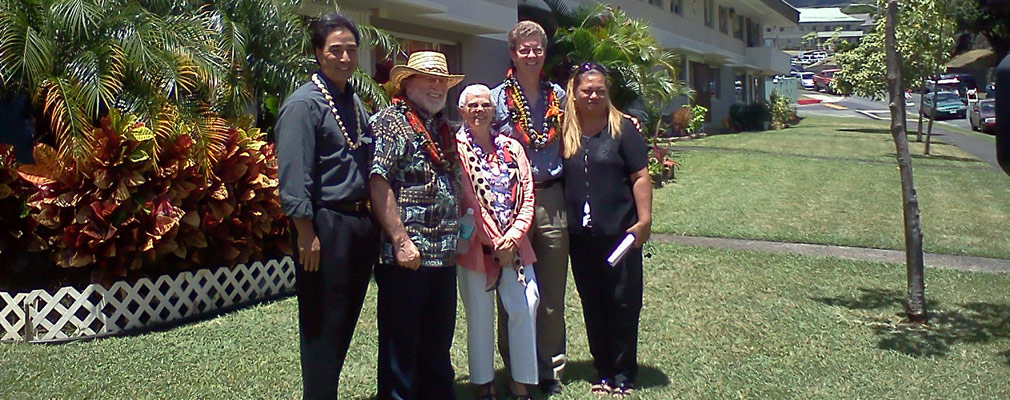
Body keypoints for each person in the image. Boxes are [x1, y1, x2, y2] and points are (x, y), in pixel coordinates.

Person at [275, 12, 377, 400]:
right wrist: (305, 232)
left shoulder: (352, 101)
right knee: (322, 324)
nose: (345, 58)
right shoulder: (304, 104)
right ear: (319, 54)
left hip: (358, 223)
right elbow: (294, 171)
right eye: (336, 50)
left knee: (345, 319)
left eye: (351, 49)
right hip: (324, 226)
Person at [368, 50, 464, 400]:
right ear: (406, 82)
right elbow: (378, 181)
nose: (437, 87)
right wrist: (400, 239)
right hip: (407, 258)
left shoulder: (443, 128)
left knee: (437, 345)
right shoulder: (390, 122)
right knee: (401, 349)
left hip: (444, 257)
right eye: (429, 79)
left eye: (442, 81)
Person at [559, 62, 652, 398]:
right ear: (576, 92)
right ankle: (604, 370)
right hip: (581, 238)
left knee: (623, 302)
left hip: (621, 235)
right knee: (593, 302)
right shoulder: (565, 130)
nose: (593, 94)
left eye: (599, 89)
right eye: (587, 89)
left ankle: (625, 371)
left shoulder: (623, 129)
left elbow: (640, 176)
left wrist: (643, 222)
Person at [490, 20, 568, 396]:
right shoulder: (495, 99)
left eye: (537, 48)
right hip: (512, 200)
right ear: (512, 53)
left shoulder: (561, 97)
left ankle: (549, 365)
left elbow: (588, 127)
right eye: (524, 48)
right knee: (513, 288)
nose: (532, 54)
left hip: (551, 197)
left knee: (552, 290)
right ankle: (515, 367)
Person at [455, 84, 540, 400]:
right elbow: (468, 199)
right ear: (462, 111)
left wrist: (513, 238)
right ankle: (483, 382)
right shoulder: (457, 148)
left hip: (515, 248)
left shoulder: (511, 147)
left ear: (495, 110)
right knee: (479, 313)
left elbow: (528, 196)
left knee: (526, 303)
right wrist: (495, 241)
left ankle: (522, 378)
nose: (480, 110)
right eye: (473, 104)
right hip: (477, 246)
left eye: (485, 104)